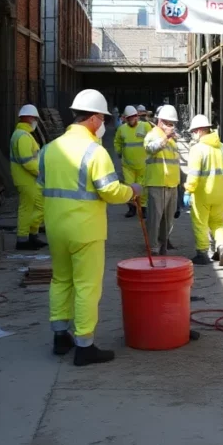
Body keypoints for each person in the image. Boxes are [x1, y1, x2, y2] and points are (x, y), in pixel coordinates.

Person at [38, 89, 141, 366]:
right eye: (103, 119)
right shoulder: (95, 152)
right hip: (85, 230)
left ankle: (61, 336)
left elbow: (41, 187)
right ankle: (85, 345)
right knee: (87, 286)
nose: (104, 125)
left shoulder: (49, 149)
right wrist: (131, 191)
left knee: (60, 280)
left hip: (56, 228)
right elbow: (109, 190)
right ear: (95, 118)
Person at [184, 115, 223, 266]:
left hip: (202, 194)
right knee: (218, 222)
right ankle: (222, 246)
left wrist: (187, 191)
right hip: (220, 194)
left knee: (200, 223)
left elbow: (193, 175)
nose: (193, 134)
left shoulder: (197, 150)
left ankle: (202, 253)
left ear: (199, 131)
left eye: (193, 131)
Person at [144, 104, 181, 255]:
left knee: (168, 220)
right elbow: (150, 148)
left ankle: (163, 244)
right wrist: (165, 138)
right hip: (157, 183)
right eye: (169, 123)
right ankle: (152, 247)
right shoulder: (153, 134)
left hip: (172, 184)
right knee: (154, 219)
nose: (171, 127)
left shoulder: (172, 140)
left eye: (173, 124)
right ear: (160, 122)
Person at [10, 104, 44, 250]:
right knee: (27, 209)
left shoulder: (24, 135)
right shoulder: (23, 136)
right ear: (29, 118)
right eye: (35, 118)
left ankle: (32, 235)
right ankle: (23, 240)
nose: (35, 121)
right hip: (26, 179)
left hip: (29, 179)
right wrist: (41, 173)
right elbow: (27, 162)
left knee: (38, 206)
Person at [113, 105, 151, 217]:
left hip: (143, 164)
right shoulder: (122, 129)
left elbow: (153, 139)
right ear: (125, 118)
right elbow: (117, 142)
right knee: (129, 187)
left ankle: (143, 208)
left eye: (134, 117)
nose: (132, 120)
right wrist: (119, 151)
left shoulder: (145, 126)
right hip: (128, 165)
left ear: (137, 116)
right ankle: (132, 208)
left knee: (143, 187)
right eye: (129, 118)